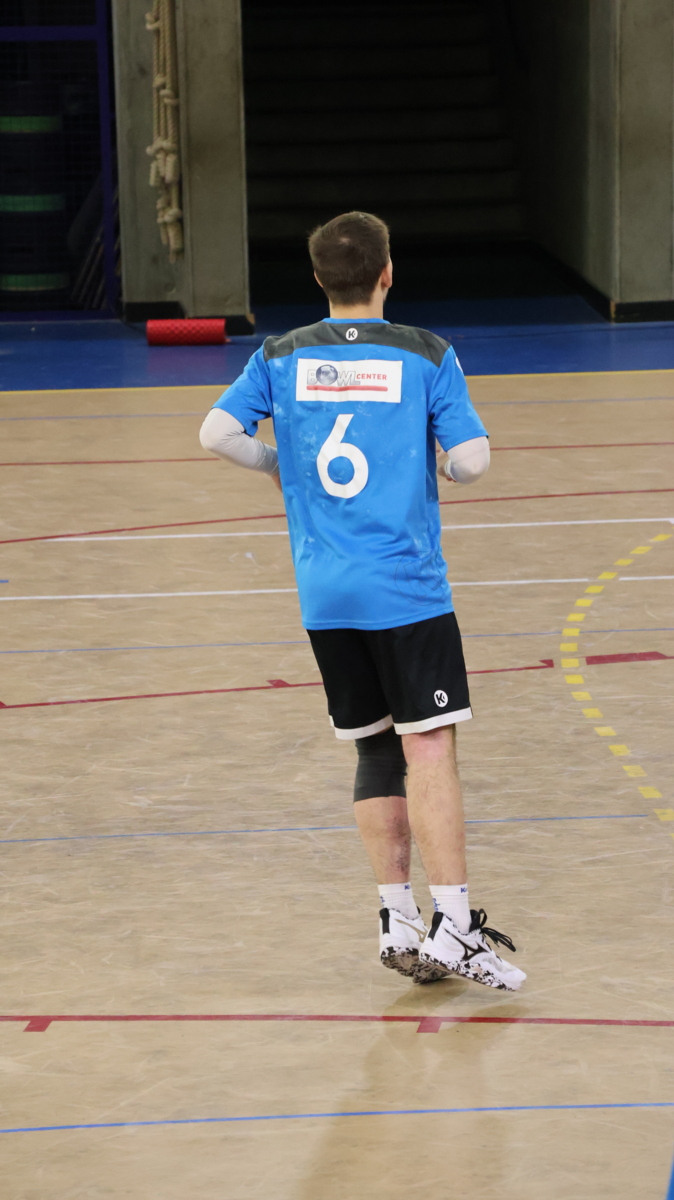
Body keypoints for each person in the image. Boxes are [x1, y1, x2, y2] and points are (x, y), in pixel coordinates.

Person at [199, 211, 525, 991]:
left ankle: (397, 917)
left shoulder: (281, 355)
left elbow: (215, 432)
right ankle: (454, 926)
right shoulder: (425, 352)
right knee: (430, 747)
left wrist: (278, 464)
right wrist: (446, 469)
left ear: (319, 279)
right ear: (387, 274)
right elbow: (474, 460)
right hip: (406, 590)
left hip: (325, 594)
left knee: (375, 749)